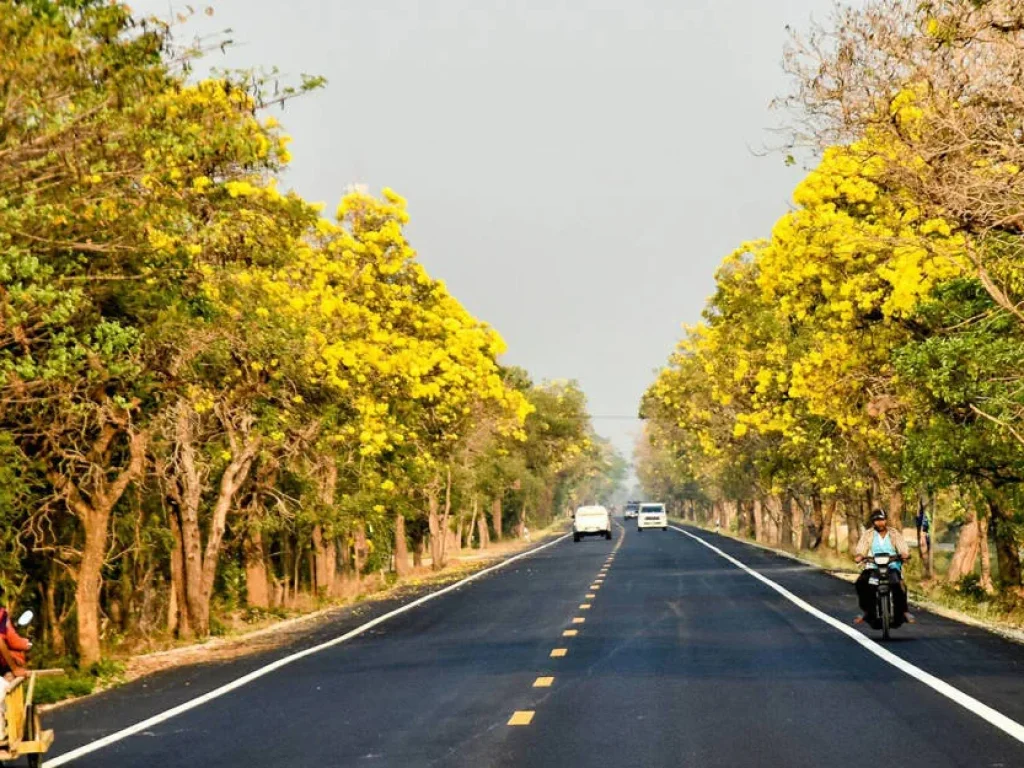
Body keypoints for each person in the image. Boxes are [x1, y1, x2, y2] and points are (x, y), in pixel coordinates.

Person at [853, 509, 913, 626]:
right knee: (861, 583)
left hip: (892, 565)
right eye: (877, 521)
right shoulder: (868, 534)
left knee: (899, 586)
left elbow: (902, 547)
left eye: (882, 520)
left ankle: (904, 612)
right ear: (873, 522)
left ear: (886, 520)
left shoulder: (894, 533)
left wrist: (904, 554)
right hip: (873, 565)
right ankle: (867, 611)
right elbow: (861, 548)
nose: (880, 523)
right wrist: (860, 555)